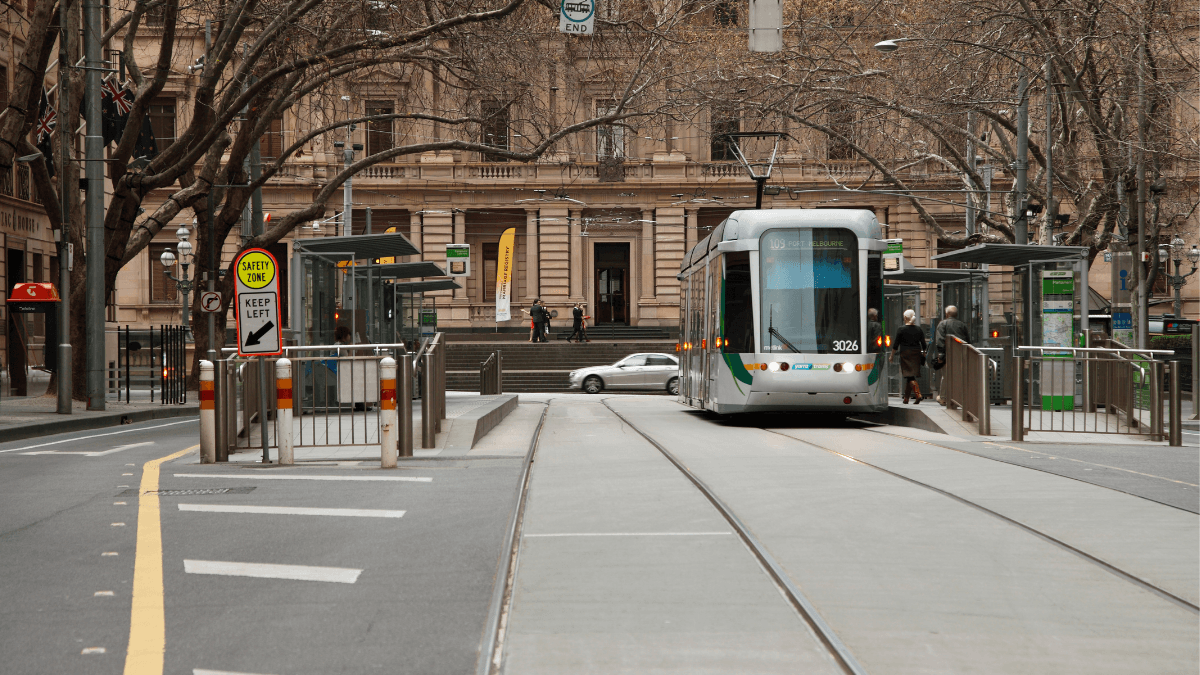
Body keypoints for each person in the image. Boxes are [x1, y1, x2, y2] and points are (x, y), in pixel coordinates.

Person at [932, 305, 971, 404]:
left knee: (946, 376)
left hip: (947, 355)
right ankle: (959, 398)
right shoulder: (962, 325)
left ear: (947, 313)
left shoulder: (943, 324)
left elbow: (940, 340)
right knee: (959, 376)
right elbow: (968, 341)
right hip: (961, 354)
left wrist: (941, 355)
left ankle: (944, 397)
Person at [891, 308, 926, 404]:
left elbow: (895, 344)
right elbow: (924, 344)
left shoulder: (901, 329)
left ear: (905, 318)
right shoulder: (918, 329)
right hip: (916, 354)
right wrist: (923, 355)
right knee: (910, 376)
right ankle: (906, 399)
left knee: (909, 375)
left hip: (906, 354)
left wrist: (891, 356)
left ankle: (918, 395)